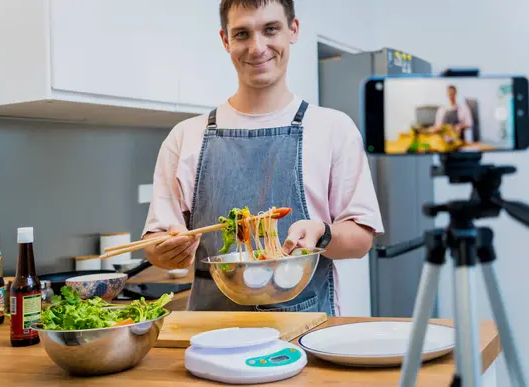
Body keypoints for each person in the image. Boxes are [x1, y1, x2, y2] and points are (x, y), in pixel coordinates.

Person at [141, 0, 384, 316]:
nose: (257, 48)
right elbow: (155, 243)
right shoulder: (186, 135)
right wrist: (165, 252)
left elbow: (361, 239)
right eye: (242, 34)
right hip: (212, 332)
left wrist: (322, 233)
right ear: (225, 40)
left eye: (271, 29)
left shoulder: (333, 128)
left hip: (306, 328)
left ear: (292, 30)